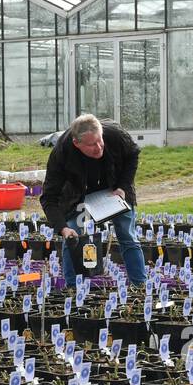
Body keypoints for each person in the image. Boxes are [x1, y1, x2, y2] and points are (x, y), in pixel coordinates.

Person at [40, 114, 147, 287]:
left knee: (127, 233)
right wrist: (63, 228)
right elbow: (49, 197)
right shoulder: (62, 153)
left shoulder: (115, 135)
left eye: (99, 141)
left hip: (115, 189)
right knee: (73, 234)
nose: (98, 147)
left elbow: (133, 154)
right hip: (79, 194)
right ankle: (72, 289)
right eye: (91, 145)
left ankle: (140, 285)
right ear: (77, 143)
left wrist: (122, 186)